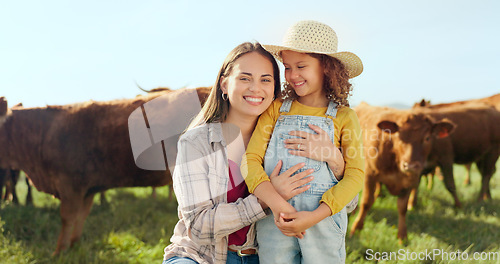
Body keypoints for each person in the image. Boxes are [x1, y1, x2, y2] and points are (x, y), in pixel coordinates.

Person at [162, 42, 346, 264]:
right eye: (245, 78)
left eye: (265, 80)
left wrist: (335, 160)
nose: (255, 88)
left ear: (275, 89)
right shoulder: (196, 143)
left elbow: (348, 203)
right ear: (224, 84)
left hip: (263, 257)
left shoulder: (286, 136)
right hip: (201, 256)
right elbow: (199, 228)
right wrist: (266, 199)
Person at [241, 20, 365, 264]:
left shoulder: (344, 117)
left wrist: (316, 215)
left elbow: (355, 175)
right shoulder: (275, 110)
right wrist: (278, 206)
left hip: (323, 223)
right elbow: (250, 161)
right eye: (287, 67)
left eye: (301, 66)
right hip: (276, 220)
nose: (292, 75)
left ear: (326, 68)